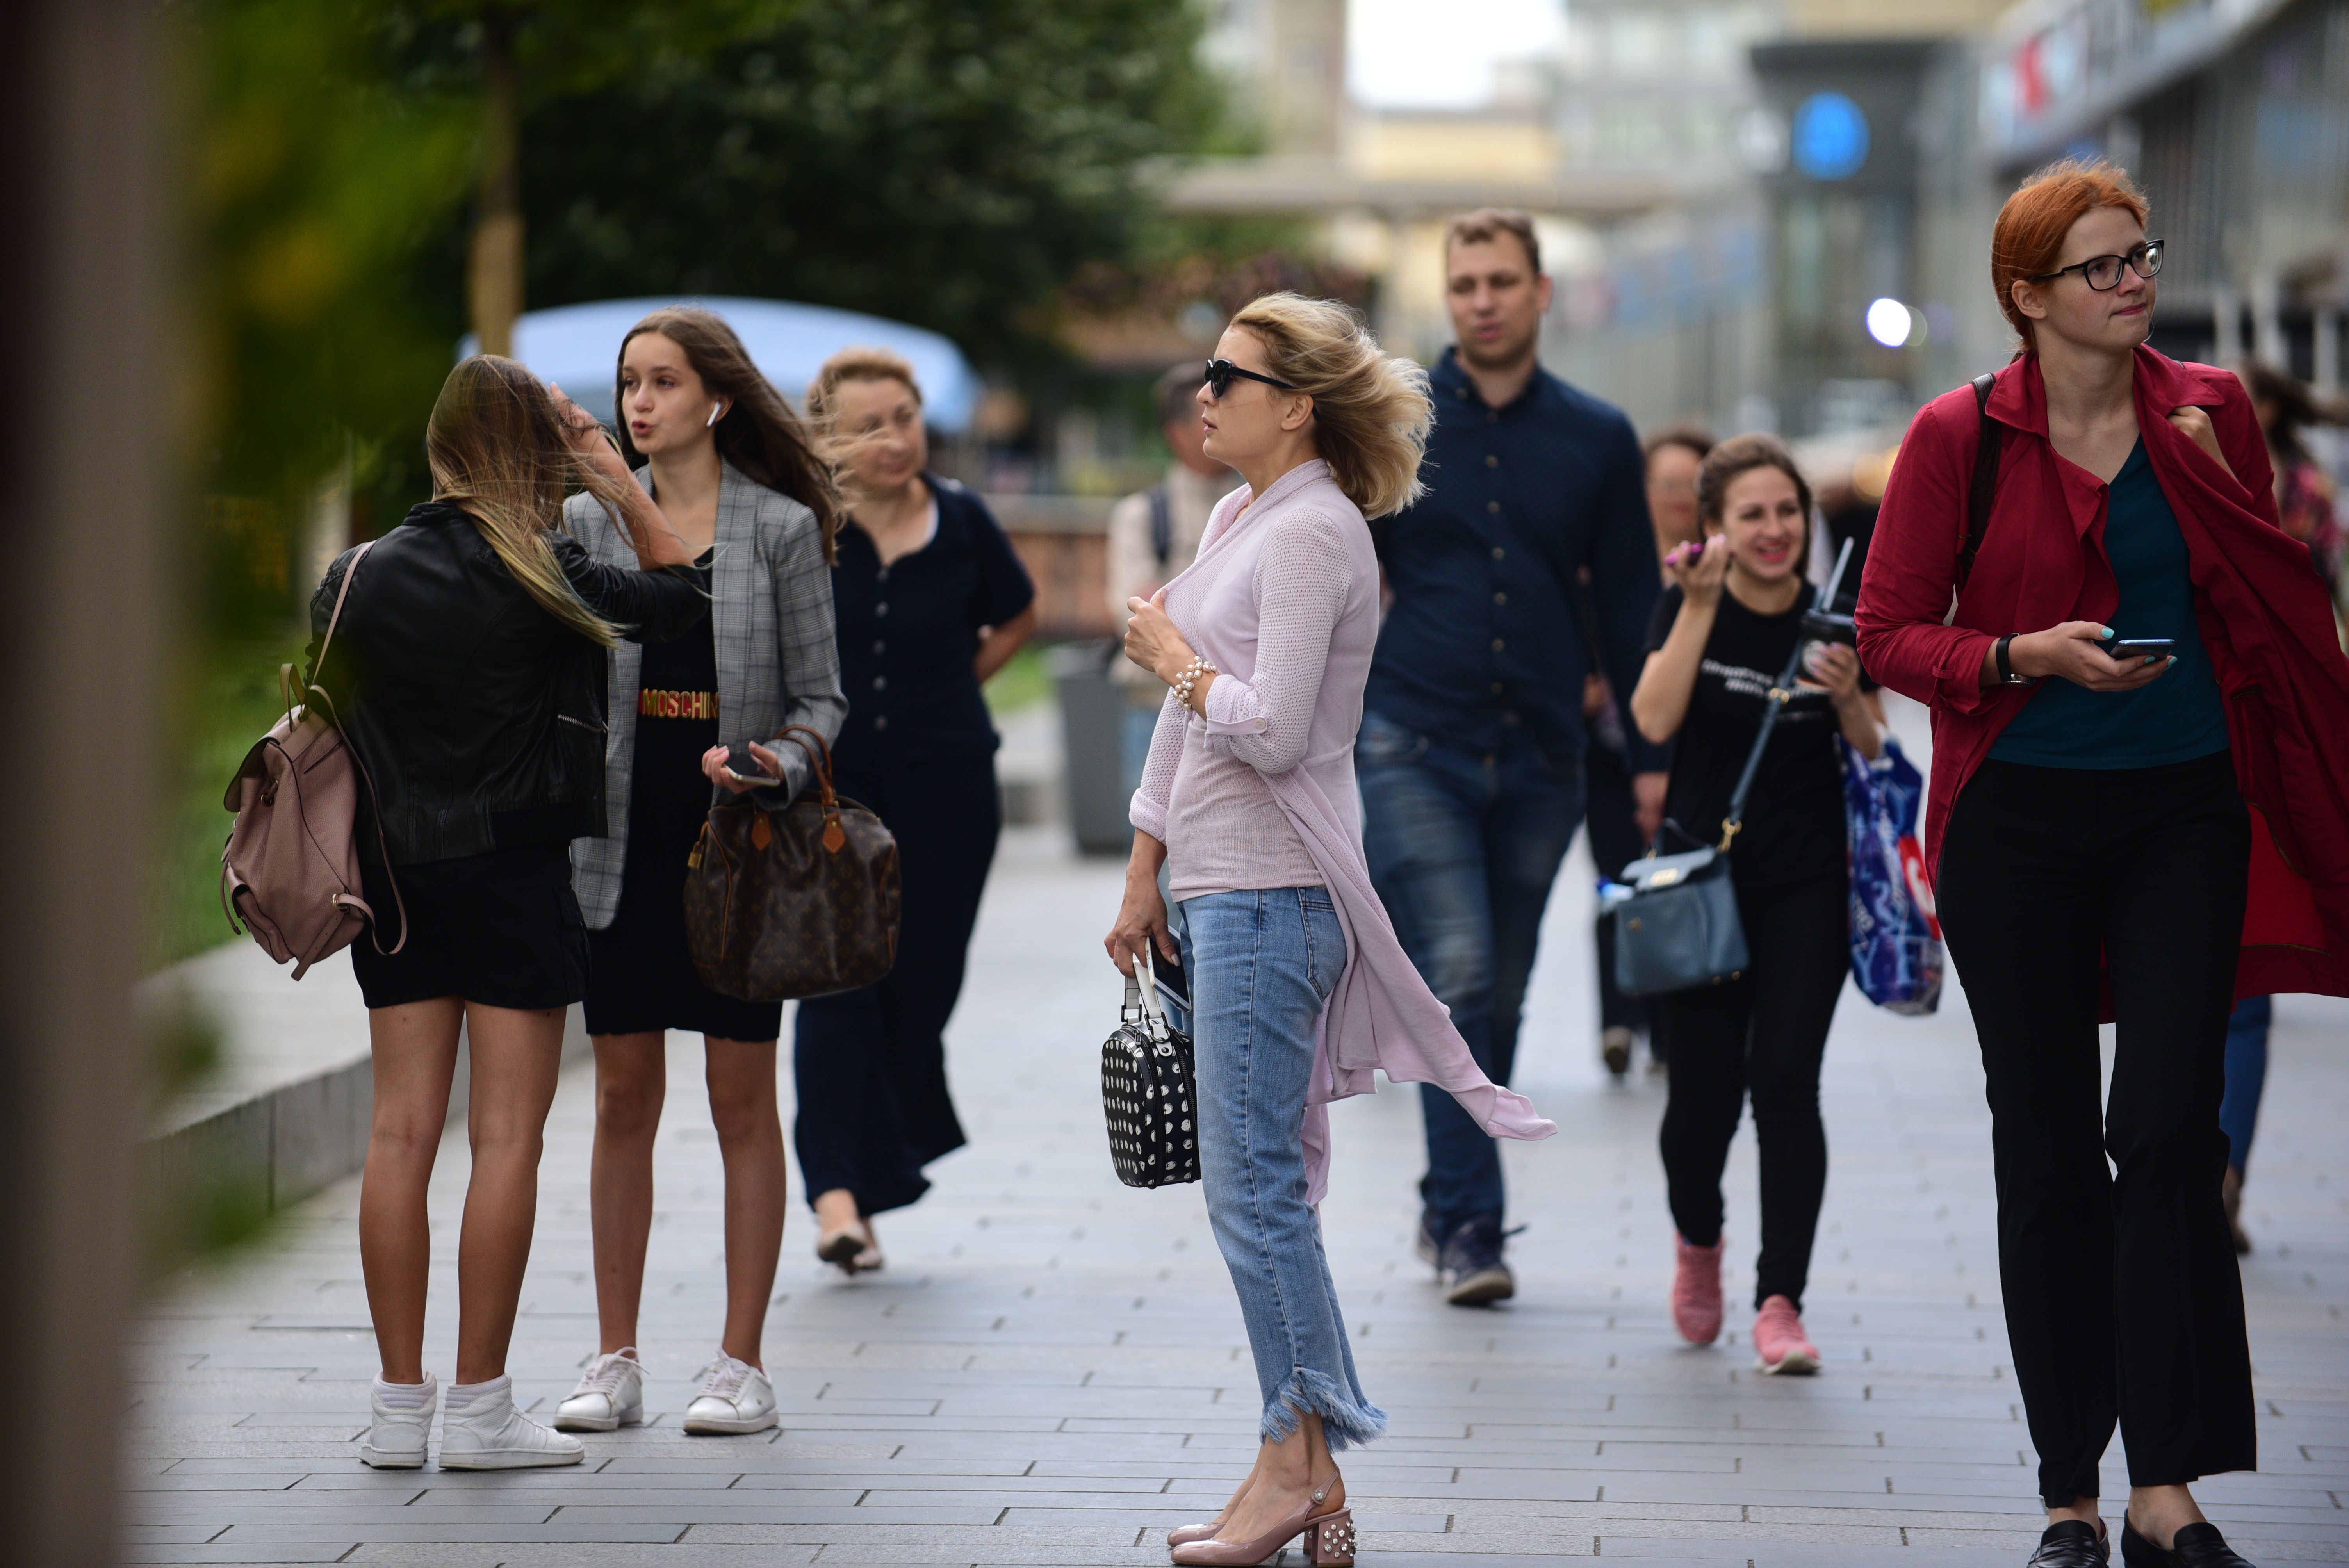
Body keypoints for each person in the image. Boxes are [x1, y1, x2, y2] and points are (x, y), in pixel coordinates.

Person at [1856, 158, 2349, 1568]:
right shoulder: (1957, 437)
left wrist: (2210, 504)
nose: (2132, 280)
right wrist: (2018, 655)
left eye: (2137, 256)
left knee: (2170, 1132)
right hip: (2012, 823)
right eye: (2100, 265)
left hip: (2180, 810)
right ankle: (2068, 1487)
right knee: (2047, 1147)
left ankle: (2164, 1489)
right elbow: (1886, 631)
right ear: (2025, 297)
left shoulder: (2209, 413)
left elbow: (2268, 597)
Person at [1104, 292, 1554, 1567]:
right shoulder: (1243, 515)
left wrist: (1171, 656)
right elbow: (1184, 729)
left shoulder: (1314, 535)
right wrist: (1142, 867)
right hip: (1218, 887)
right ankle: (1298, 1474)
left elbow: (1271, 723)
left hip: (1272, 894)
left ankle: (1302, 1461)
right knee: (1258, 1187)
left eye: (1226, 373)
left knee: (1254, 1195)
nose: (1203, 391)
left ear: (1295, 401)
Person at [327, 355, 710, 1470]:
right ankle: (484, 1409)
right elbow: (684, 595)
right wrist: (614, 472)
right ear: (534, 450)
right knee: (505, 1139)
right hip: (515, 873)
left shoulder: (356, 575)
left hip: (393, 878)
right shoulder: (550, 567)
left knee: (399, 1134)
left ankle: (400, 1414)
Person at [1356, 208, 1666, 1305]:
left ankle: (1447, 1207)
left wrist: (1648, 751)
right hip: (1411, 738)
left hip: (1541, 753)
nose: (1481, 299)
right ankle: (1477, 1229)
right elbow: (1337, 566)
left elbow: (1632, 605)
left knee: (1504, 988)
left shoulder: (1596, 435)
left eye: (1500, 280)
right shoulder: (1392, 424)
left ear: (1540, 293)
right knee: (1460, 971)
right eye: (1463, 284)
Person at [553, 307, 847, 1440]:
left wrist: (777, 760)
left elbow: (824, 699)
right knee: (622, 1097)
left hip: (738, 840)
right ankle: (613, 1357)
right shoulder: (583, 520)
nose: (640, 401)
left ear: (717, 399)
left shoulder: (779, 527)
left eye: (664, 382)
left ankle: (741, 1363)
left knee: (741, 1102)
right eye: (631, 382)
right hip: (617, 840)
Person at [1627, 435, 1884, 1376]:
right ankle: (1699, 1243)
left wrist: (1851, 695)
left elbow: (1871, 748)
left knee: (1785, 1082)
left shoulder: (1835, 621)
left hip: (1805, 886)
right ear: (1714, 528)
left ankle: (1782, 1300)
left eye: (1787, 512)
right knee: (1699, 1102)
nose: (1775, 530)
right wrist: (1696, 606)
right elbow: (1652, 722)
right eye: (1752, 515)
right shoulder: (1686, 602)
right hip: (1698, 884)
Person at [792, 347, 1038, 1274]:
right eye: (867, 423)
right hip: (829, 793)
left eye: (904, 415)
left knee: (921, 986)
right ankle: (837, 1193)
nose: (894, 437)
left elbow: (1016, 612)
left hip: (949, 787)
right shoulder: (801, 528)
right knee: (834, 983)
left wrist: (952, 690)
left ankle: (880, 1161)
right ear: (824, 437)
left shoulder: (965, 518)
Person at [1587, 426, 1716, 1077]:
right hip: (1609, 754)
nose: (1674, 498)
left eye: (1689, 486)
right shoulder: (1615, 562)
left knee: (1675, 890)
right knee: (1615, 888)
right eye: (1662, 484)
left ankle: (1670, 1034)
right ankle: (1618, 1020)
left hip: (1693, 760)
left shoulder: (1719, 572)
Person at [1107, 363, 1238, 797]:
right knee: (1159, 857)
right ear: (1176, 433)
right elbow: (1137, 622)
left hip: (1237, 713)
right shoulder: (1143, 515)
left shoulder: (1264, 505)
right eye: (1204, 416)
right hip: (1153, 711)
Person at [2240, 360, 2344, 604]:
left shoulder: (2308, 484)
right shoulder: (2210, 465)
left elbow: (2326, 571)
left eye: (2235, 395)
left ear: (2267, 409)